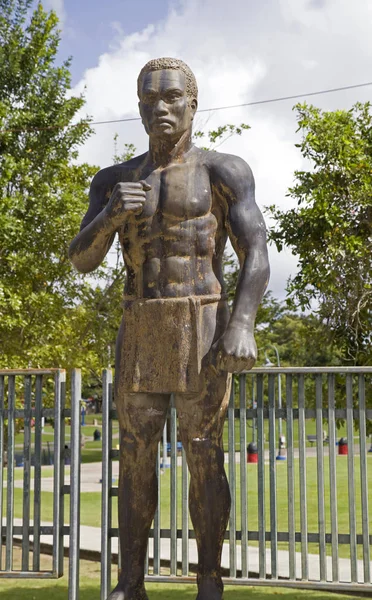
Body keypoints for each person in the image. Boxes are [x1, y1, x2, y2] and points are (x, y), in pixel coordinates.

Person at [69, 57, 270, 600]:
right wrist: (110, 215)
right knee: (135, 454)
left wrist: (242, 324)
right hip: (140, 323)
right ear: (138, 107)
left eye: (171, 97)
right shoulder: (115, 180)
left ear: (192, 103)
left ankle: (210, 580)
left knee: (203, 451)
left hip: (201, 321)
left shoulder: (223, 171)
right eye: (149, 98)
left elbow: (257, 254)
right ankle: (129, 583)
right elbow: (81, 260)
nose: (160, 107)